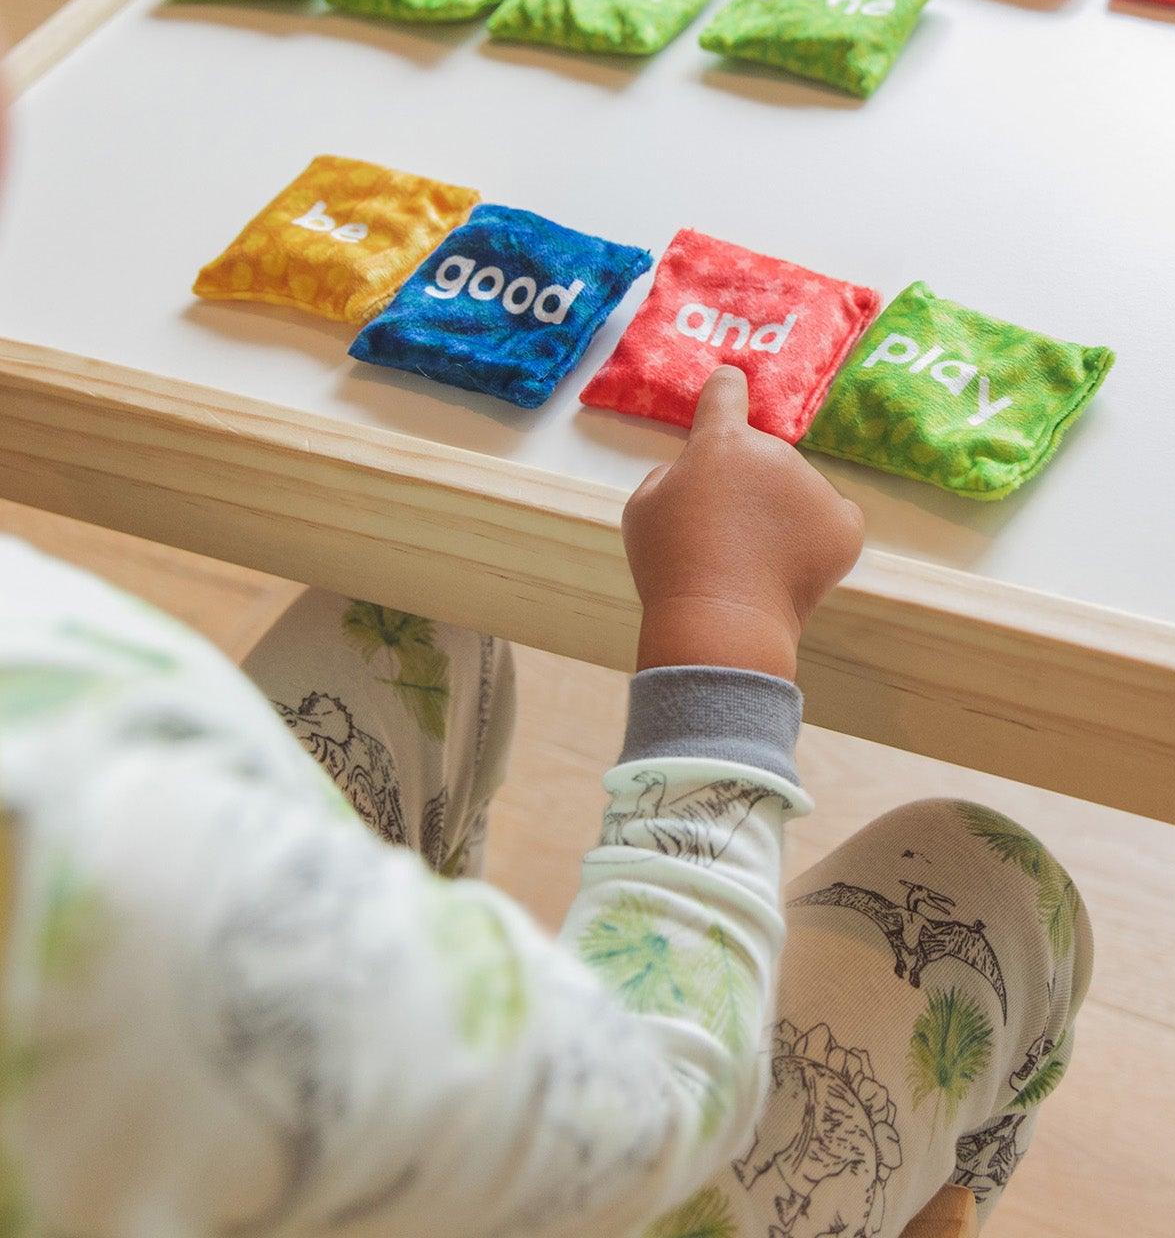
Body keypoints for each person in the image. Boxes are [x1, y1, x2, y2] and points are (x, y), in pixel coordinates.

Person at [0, 345, 1091, 1236]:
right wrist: (727, 632)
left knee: (400, 602)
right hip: (553, 1170)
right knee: (982, 875)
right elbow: (654, 1111)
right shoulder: (96, 871)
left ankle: (457, 1018)